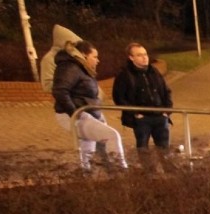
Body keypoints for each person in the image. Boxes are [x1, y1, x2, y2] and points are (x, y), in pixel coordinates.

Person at [52, 40, 127, 172]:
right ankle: (121, 170)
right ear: (83, 55)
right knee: (112, 136)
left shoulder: (82, 69)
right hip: (76, 114)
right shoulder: (70, 68)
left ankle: (87, 174)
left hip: (88, 113)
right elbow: (60, 91)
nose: (98, 61)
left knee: (88, 145)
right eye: (95, 56)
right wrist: (77, 113)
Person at [112, 43, 173, 153]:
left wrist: (167, 110)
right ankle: (146, 170)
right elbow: (119, 98)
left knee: (164, 149)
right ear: (131, 58)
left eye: (145, 54)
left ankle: (167, 169)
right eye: (139, 55)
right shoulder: (124, 75)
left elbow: (166, 91)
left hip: (160, 116)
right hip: (142, 120)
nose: (144, 57)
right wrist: (136, 114)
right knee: (143, 150)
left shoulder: (154, 71)